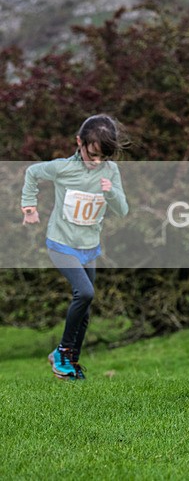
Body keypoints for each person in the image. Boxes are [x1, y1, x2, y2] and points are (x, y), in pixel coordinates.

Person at [21, 114, 129, 381]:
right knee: (86, 292)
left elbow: (123, 210)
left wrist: (111, 192)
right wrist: (29, 205)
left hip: (89, 247)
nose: (97, 162)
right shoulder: (62, 168)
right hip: (61, 243)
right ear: (79, 142)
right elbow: (32, 172)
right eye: (92, 154)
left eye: (103, 157)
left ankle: (69, 365)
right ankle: (62, 352)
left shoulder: (110, 172)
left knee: (86, 309)